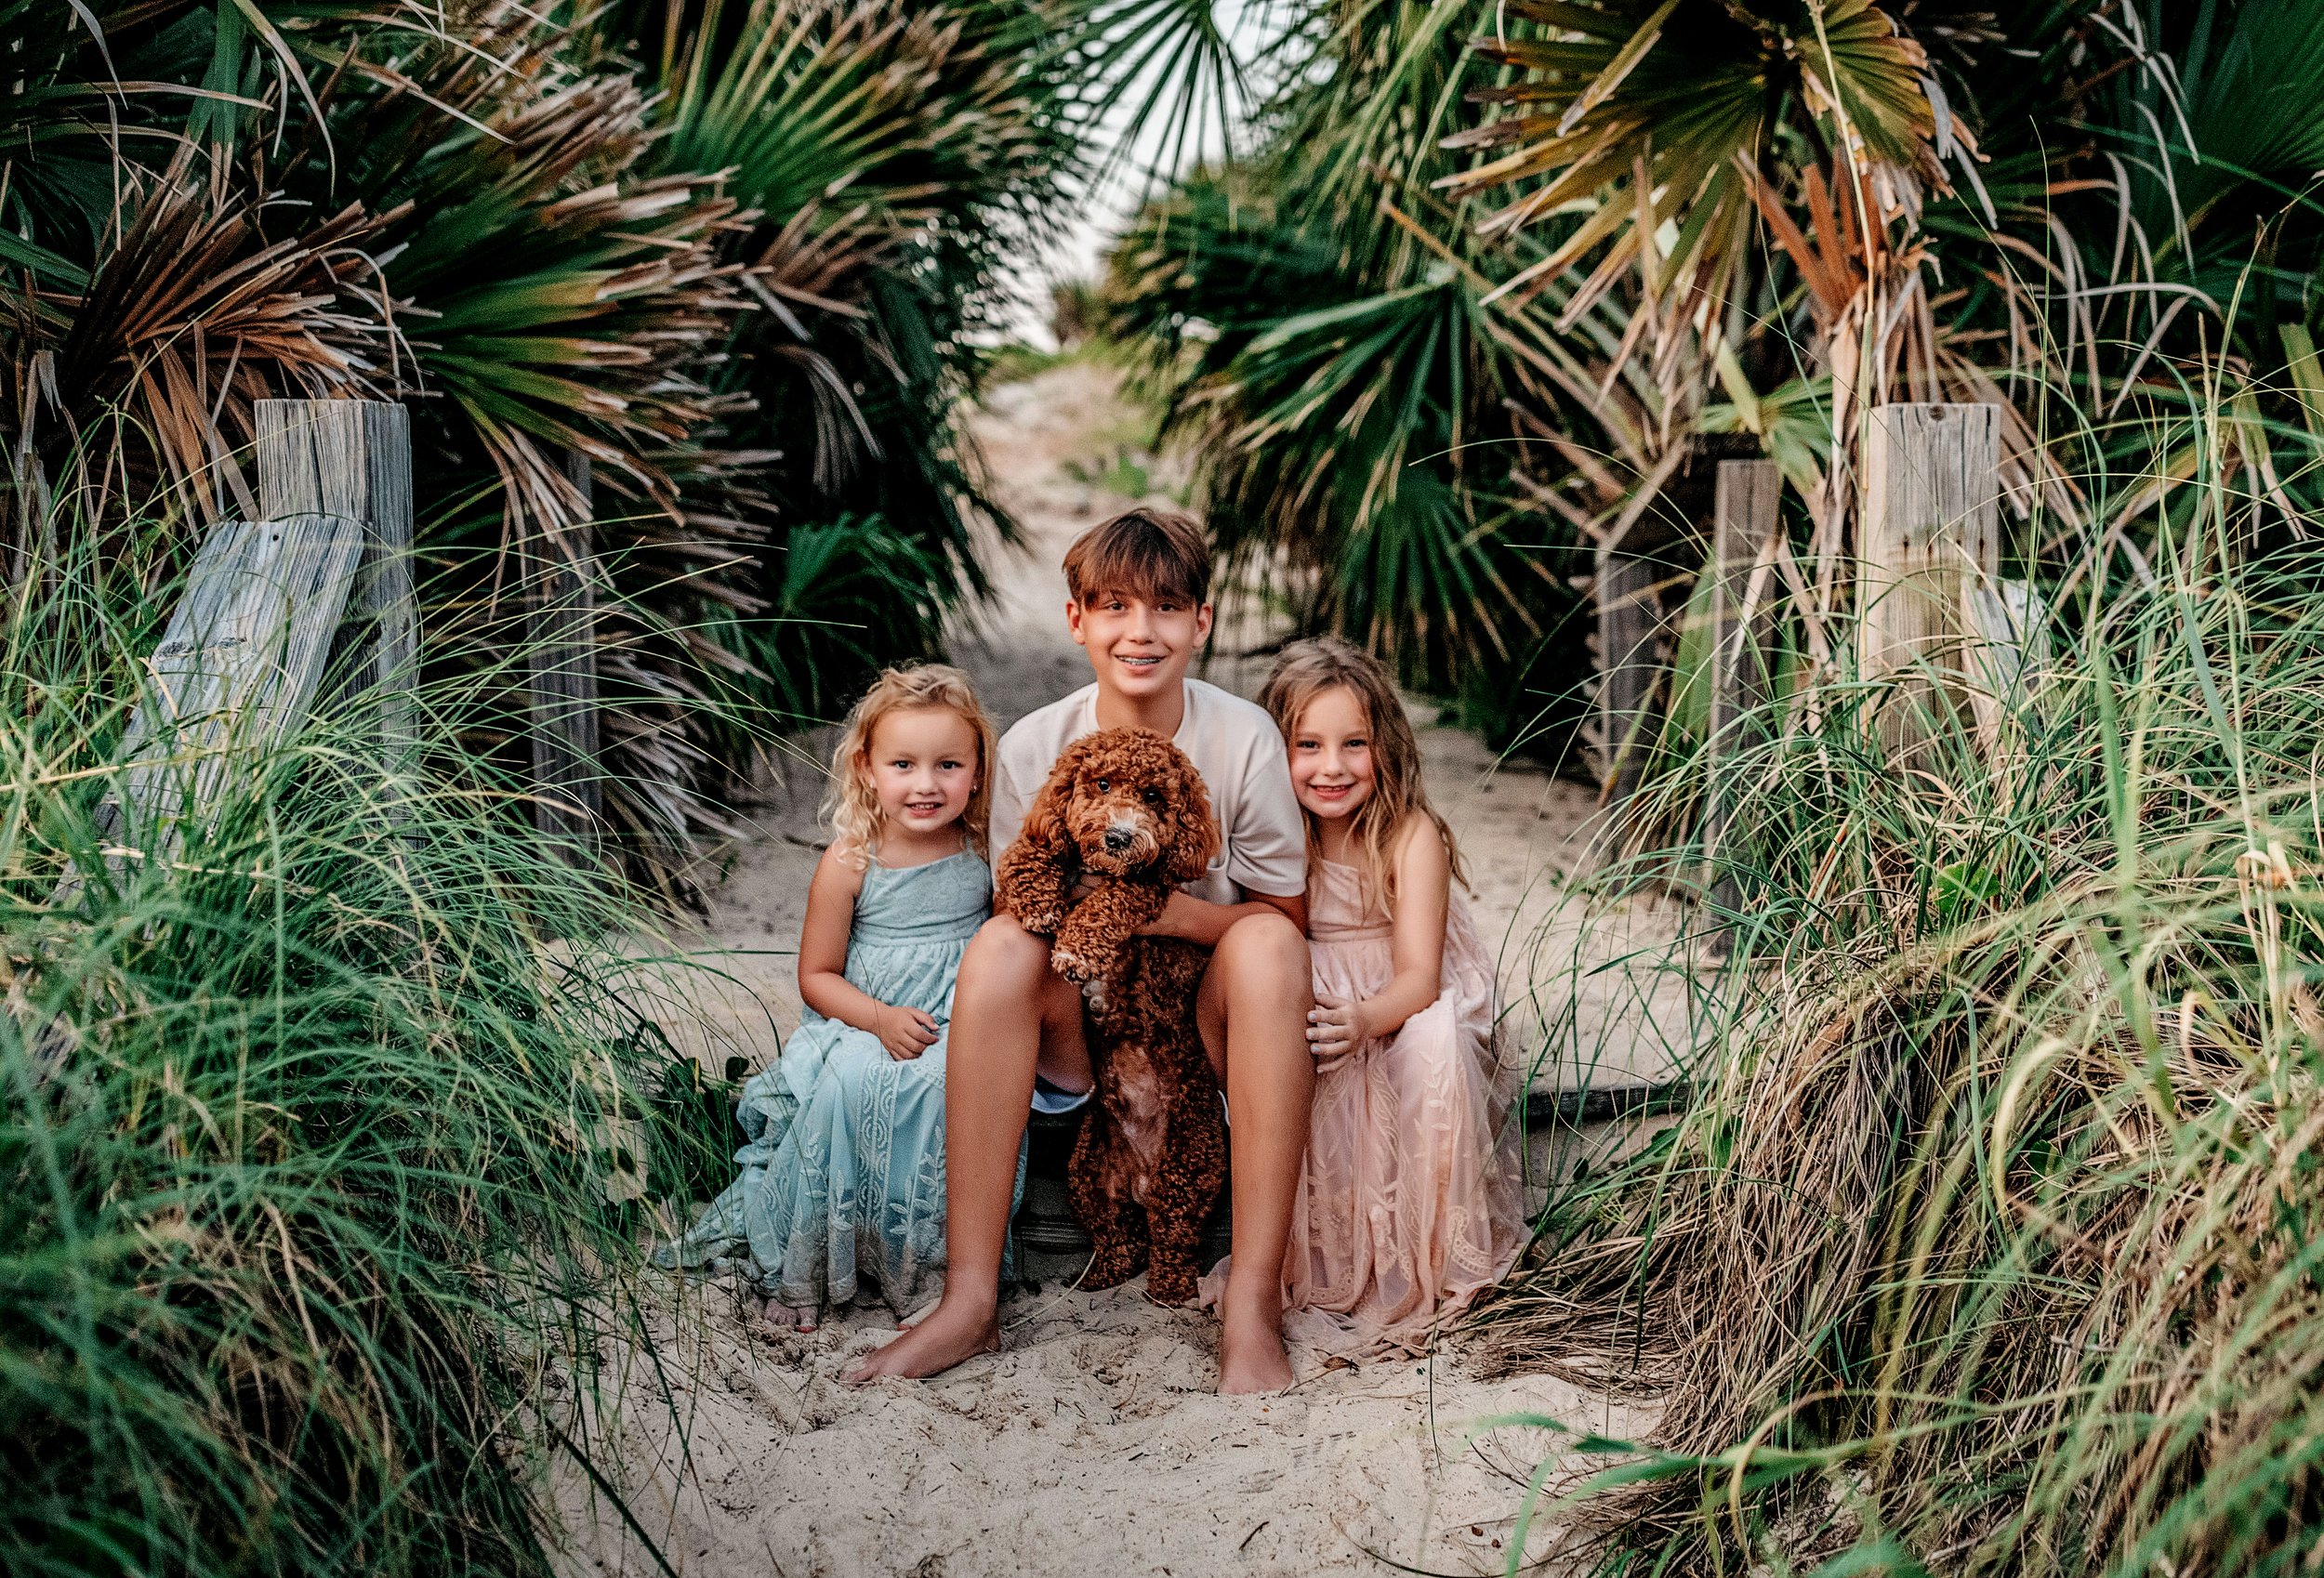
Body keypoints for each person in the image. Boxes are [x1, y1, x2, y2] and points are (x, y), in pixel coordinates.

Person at [849, 507, 1315, 1393]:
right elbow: (1022, 901)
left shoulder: (1242, 735)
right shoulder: (1035, 745)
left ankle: (1252, 1300)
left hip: (1203, 1035)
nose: (1141, 632)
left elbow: (1281, 915)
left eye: (1168, 608)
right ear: (1077, 620)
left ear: (1201, 623)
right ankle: (969, 1300)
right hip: (1083, 1033)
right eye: (1113, 607)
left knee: (1270, 952)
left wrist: (1154, 914)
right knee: (996, 948)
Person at [654, 664, 1002, 1330]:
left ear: (979, 771)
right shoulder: (852, 860)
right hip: (863, 1022)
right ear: (867, 768)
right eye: (904, 764)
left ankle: (922, 1271)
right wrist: (879, 1019)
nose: (926, 784)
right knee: (846, 1090)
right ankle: (809, 1269)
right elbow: (816, 975)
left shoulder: (984, 851)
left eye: (948, 765)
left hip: (961, 1018)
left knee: (942, 1089)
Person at [1235, 636, 1524, 1348]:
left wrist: (1364, 1018)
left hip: (1398, 998)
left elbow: (1421, 980)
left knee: (1435, 1042)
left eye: (1353, 744)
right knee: (1306, 1058)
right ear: (1276, 752)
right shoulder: (1272, 832)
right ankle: (1322, 1263)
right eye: (1307, 745)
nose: (1331, 767)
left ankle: (1429, 1260)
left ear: (1385, 745)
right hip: (1312, 990)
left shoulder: (1408, 833)